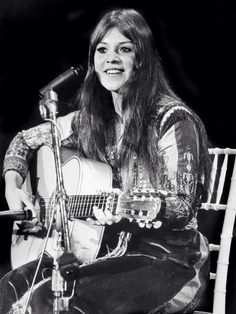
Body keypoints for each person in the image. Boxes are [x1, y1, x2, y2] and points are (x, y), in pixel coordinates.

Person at [0, 7, 212, 314]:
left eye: (124, 49)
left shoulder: (174, 120)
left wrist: (124, 205)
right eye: (102, 50)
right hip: (103, 251)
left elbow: (182, 205)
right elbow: (22, 141)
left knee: (49, 301)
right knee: (10, 286)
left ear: (142, 61)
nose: (111, 58)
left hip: (170, 261)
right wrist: (12, 185)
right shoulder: (91, 121)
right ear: (93, 63)